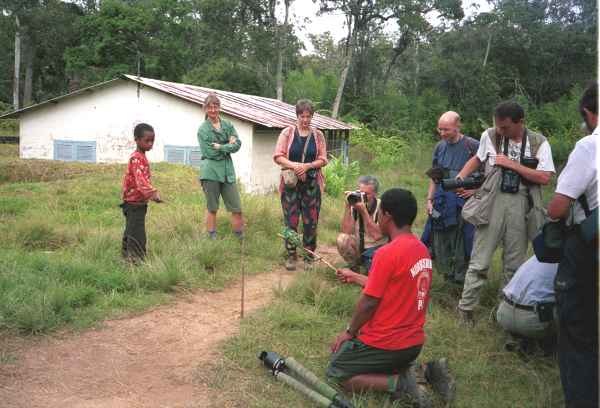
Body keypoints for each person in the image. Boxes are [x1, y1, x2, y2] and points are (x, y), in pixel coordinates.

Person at [328, 189, 454, 407]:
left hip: (386, 343)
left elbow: (369, 302)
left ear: (386, 216)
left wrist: (349, 332)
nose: (379, 218)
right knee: (367, 361)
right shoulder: (422, 250)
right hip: (413, 345)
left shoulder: (386, 253)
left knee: (336, 371)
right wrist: (356, 277)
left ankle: (400, 384)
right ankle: (425, 370)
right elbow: (395, 286)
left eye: (380, 214)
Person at [456, 101, 555, 324]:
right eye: (497, 126)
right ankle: (466, 310)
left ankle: (504, 312)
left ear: (520, 122)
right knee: (480, 261)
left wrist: (512, 164)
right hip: (492, 201)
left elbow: (544, 177)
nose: (500, 131)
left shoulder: (538, 142)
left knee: (514, 264)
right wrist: (460, 177)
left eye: (505, 127)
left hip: (522, 204)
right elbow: (478, 158)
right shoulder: (490, 136)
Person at [547, 81, 598, 407]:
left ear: (589, 113)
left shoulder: (589, 146)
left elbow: (557, 208)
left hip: (588, 248)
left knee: (578, 330)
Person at [421, 111, 479, 284]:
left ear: (457, 126)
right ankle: (447, 275)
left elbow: (490, 174)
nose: (442, 133)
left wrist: (475, 191)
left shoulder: (472, 145)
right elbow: (435, 177)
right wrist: (429, 200)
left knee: (463, 240)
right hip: (442, 201)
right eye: (440, 129)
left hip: (464, 202)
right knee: (441, 237)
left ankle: (462, 278)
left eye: (446, 129)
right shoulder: (440, 147)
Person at [273, 99, 328, 271]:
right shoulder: (287, 133)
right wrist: (295, 166)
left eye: (308, 116)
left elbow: (323, 159)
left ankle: (308, 256)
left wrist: (307, 166)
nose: (305, 120)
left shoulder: (318, 135)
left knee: (311, 221)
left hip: (311, 185)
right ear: (297, 116)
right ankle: (291, 255)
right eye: (302, 116)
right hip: (291, 185)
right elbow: (278, 156)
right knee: (291, 221)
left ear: (312, 116)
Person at [197, 93, 244, 240]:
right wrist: (228, 145)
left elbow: (238, 144)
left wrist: (221, 147)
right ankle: (212, 238)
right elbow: (209, 152)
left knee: (236, 208)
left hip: (227, 172)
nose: (213, 110)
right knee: (212, 207)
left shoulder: (228, 125)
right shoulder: (203, 130)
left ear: (219, 108)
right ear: (205, 109)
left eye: (215, 106)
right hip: (210, 172)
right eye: (210, 107)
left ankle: (239, 239)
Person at [496, 255, 558, 353]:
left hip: (504, 313)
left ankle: (522, 339)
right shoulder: (569, 259)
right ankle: (547, 346)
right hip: (531, 320)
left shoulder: (538, 255)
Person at [120, 123, 162, 261]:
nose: (150, 144)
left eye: (152, 141)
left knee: (131, 229)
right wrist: (153, 194)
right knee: (137, 233)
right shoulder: (137, 158)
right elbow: (141, 181)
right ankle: (136, 260)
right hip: (134, 203)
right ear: (137, 140)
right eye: (147, 140)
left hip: (135, 202)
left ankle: (126, 256)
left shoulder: (141, 156)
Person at [336, 175, 387, 282]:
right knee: (342, 239)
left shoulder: (382, 207)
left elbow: (377, 235)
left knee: (375, 276)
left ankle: (365, 269)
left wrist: (364, 212)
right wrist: (347, 207)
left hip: (377, 250)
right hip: (360, 247)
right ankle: (354, 267)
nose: (362, 196)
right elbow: (346, 231)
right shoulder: (355, 204)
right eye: (360, 192)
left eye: (366, 194)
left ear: (375, 194)